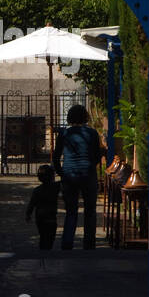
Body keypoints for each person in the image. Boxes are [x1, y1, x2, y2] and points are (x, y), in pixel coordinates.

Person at [52, 104, 104, 250]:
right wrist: (90, 167)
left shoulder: (64, 134)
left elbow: (56, 157)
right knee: (90, 210)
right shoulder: (92, 133)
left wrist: (62, 173)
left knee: (71, 210)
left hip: (69, 174)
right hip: (87, 173)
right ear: (85, 117)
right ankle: (89, 243)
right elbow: (97, 156)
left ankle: (67, 242)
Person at [24, 164, 60, 251]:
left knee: (43, 236)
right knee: (50, 237)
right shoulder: (55, 188)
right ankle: (47, 249)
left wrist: (28, 214)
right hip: (51, 216)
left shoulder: (37, 190)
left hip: (40, 217)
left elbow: (31, 204)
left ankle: (43, 250)